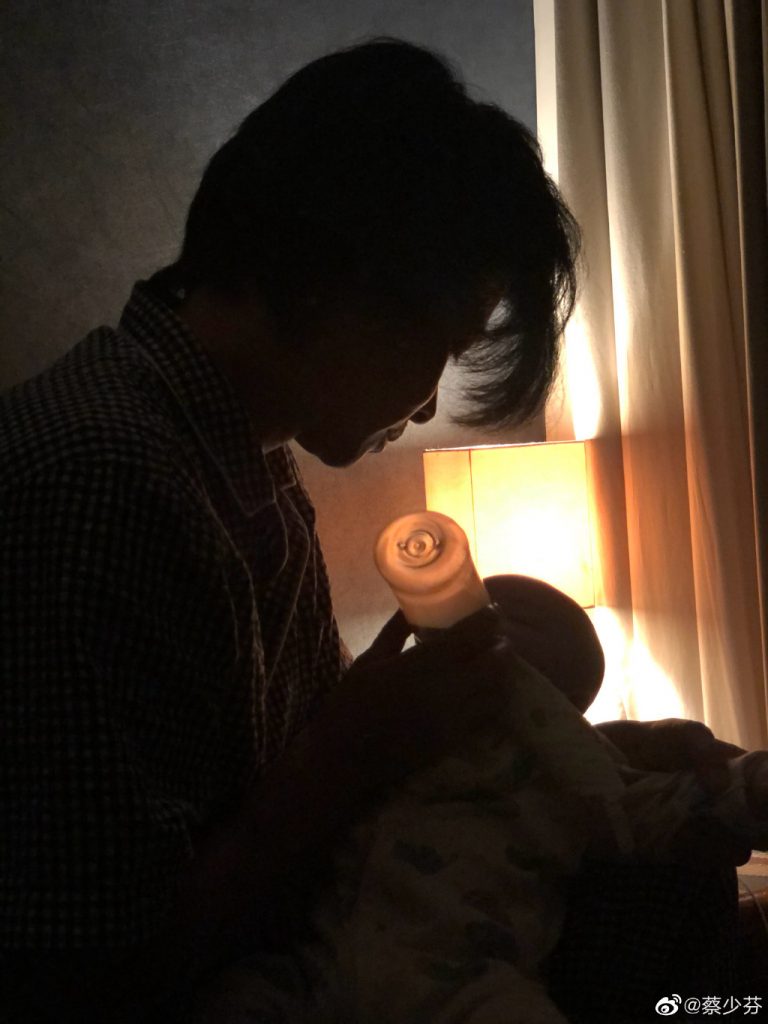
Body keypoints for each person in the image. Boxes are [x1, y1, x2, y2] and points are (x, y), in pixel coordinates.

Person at [0, 38, 744, 1023]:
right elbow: (78, 978)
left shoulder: (239, 459)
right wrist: (352, 748)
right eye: (438, 344)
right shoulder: (102, 483)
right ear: (328, 281)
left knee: (678, 888)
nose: (429, 398)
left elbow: (294, 774)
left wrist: (595, 760)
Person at [191, 575, 765, 1024]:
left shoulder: (574, 776)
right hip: (319, 961)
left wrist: (743, 789)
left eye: (502, 617)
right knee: (237, 1003)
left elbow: (650, 803)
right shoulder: (388, 733)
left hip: (465, 975)